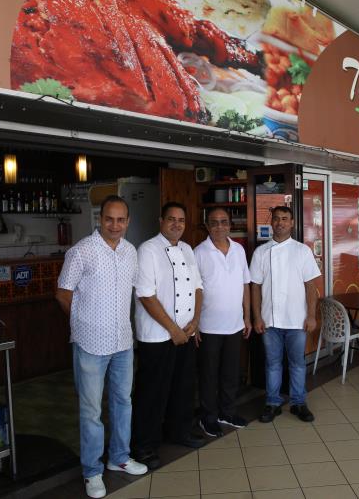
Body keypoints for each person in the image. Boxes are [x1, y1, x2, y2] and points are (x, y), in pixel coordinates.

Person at [56, 195, 147, 499]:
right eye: (109, 218)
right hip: (90, 344)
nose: (114, 225)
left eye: (121, 220)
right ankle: (92, 471)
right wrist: (82, 322)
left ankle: (119, 457)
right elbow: (63, 293)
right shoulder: (82, 251)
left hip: (122, 342)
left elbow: (135, 292)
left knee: (123, 401)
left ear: (128, 221)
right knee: (91, 410)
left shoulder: (130, 251)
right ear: (100, 219)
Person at [131, 202, 204, 470]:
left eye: (181, 220)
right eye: (171, 219)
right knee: (152, 392)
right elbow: (145, 295)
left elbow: (198, 287)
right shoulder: (147, 250)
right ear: (160, 221)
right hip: (157, 336)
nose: (176, 224)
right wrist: (172, 329)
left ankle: (179, 431)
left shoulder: (187, 249)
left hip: (186, 333)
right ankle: (144, 445)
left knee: (183, 387)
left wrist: (195, 321)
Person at [249, 206, 322, 424]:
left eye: (284, 218)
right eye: (276, 219)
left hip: (297, 319)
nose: (280, 222)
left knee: (297, 363)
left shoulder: (302, 251)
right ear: (271, 222)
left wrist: (311, 315)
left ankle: (299, 402)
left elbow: (310, 286)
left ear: (292, 223)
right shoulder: (261, 252)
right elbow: (255, 287)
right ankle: (272, 403)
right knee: (272, 364)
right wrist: (257, 317)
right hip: (269, 320)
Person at [194, 208, 251, 437]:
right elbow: (194, 290)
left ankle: (227, 412)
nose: (219, 226)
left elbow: (245, 284)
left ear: (230, 225)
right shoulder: (199, 252)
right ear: (207, 226)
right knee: (208, 375)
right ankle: (207, 417)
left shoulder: (239, 250)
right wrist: (195, 322)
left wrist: (247, 316)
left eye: (224, 222)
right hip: (208, 327)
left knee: (230, 374)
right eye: (214, 222)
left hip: (235, 325)